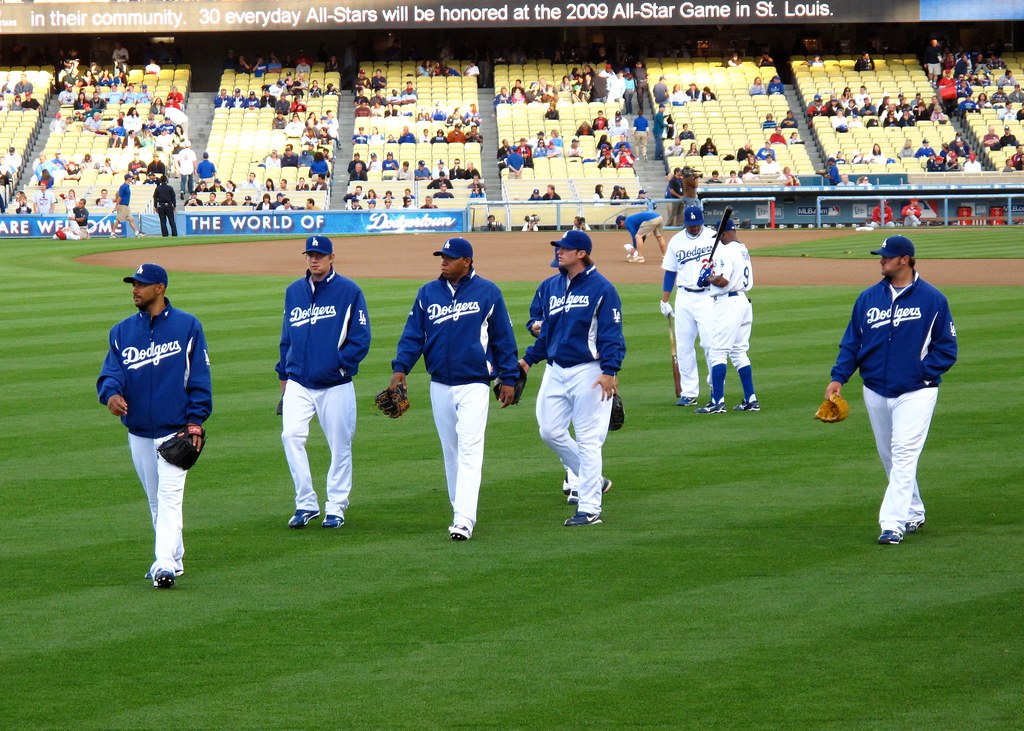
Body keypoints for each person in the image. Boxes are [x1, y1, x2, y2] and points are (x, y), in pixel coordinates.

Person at [824, 235, 957, 545]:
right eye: (880, 255)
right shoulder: (868, 298)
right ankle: (912, 511)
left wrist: (922, 374)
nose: (881, 260)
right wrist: (838, 377)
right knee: (890, 457)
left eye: (887, 256)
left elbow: (947, 348)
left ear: (905, 260)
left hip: (915, 392)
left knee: (903, 454)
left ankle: (892, 524)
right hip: (875, 389)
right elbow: (852, 344)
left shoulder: (933, 300)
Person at [388, 237, 520, 541]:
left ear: (467, 261)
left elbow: (503, 339)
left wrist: (509, 378)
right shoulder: (428, 293)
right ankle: (459, 507)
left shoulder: (489, 292)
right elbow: (412, 336)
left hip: (474, 383)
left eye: (449, 258)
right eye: (442, 257)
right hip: (439, 385)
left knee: (471, 450)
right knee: (451, 451)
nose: (443, 262)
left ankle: (463, 519)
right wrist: (400, 369)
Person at [97, 263, 213, 588]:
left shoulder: (188, 326)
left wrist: (195, 421)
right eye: (133, 284)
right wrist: (111, 395)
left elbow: (200, 379)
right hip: (138, 431)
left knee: (170, 497)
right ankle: (173, 558)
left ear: (159, 288)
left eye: (141, 285)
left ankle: (162, 563)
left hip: (175, 428)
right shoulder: (121, 331)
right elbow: (111, 372)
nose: (135, 289)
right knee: (155, 499)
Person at [520, 231, 624, 527]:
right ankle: (595, 478)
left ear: (581, 253)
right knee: (549, 431)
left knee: (589, 440)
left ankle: (590, 508)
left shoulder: (602, 288)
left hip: (589, 371)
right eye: (557, 248)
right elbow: (549, 332)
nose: (558, 252)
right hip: (556, 369)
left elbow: (612, 334)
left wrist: (610, 371)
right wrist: (529, 360)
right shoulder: (552, 286)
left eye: (564, 248)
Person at [276, 236, 371, 529]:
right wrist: (284, 376)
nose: (314, 260)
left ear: (332, 258)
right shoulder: (294, 291)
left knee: (339, 445)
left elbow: (361, 338)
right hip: (299, 382)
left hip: (336, 384)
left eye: (320, 255)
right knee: (290, 436)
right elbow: (286, 337)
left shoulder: (349, 291)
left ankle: (336, 506)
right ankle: (305, 503)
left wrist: (340, 364)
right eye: (310, 254)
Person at [696, 219, 759, 413]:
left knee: (717, 352)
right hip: (743, 303)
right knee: (739, 352)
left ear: (723, 234)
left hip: (728, 303)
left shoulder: (725, 250)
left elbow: (723, 281)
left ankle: (717, 402)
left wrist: (707, 277)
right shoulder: (743, 249)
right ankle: (751, 399)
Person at [659, 206, 716, 406]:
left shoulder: (713, 238)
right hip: (683, 296)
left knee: (709, 344)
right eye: (690, 225)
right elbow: (670, 272)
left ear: (702, 221)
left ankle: (716, 388)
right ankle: (689, 392)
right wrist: (664, 300)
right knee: (684, 347)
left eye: (696, 225)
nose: (693, 228)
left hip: (708, 296)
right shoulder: (676, 241)